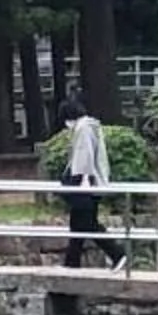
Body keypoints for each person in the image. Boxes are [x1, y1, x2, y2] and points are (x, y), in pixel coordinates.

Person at [58, 95, 112, 268]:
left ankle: (118, 254)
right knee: (78, 225)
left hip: (87, 185)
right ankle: (71, 264)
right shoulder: (89, 126)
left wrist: (83, 179)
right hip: (90, 184)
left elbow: (84, 156)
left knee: (87, 224)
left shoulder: (83, 129)